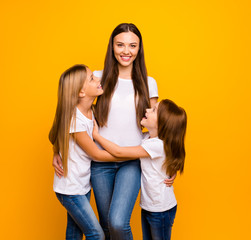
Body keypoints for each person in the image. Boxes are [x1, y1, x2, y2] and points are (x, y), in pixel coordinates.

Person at [53, 23, 174, 239]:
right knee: (106, 225)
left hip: (131, 161)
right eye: (120, 45)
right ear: (112, 46)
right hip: (100, 164)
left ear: (139, 49)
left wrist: (168, 164)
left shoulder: (149, 83)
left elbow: (158, 127)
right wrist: (57, 150)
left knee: (118, 222)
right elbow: (68, 113)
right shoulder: (97, 78)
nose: (126, 51)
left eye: (132, 45)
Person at [49, 64, 131, 240]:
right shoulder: (75, 120)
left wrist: (57, 151)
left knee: (74, 232)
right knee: (96, 235)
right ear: (80, 92)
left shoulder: (90, 111)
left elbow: (57, 134)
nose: (98, 80)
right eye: (92, 79)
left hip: (82, 185)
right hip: (70, 190)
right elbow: (96, 154)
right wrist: (129, 154)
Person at [92, 99, 187, 240]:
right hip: (150, 207)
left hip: (161, 210)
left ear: (162, 124)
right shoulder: (148, 138)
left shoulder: (156, 145)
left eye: (154, 110)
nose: (147, 110)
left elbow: (119, 152)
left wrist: (96, 136)